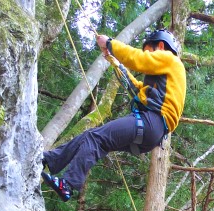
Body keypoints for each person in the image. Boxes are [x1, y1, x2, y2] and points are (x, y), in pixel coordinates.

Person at [42, 29, 186, 201]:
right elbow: (134, 87)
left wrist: (110, 43)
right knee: (92, 138)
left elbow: (139, 59)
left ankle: (68, 184)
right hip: (151, 133)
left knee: (95, 139)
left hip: (150, 121)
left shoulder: (170, 59)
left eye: (149, 50)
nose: (148, 54)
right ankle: (49, 160)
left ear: (160, 46)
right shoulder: (165, 80)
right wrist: (113, 59)